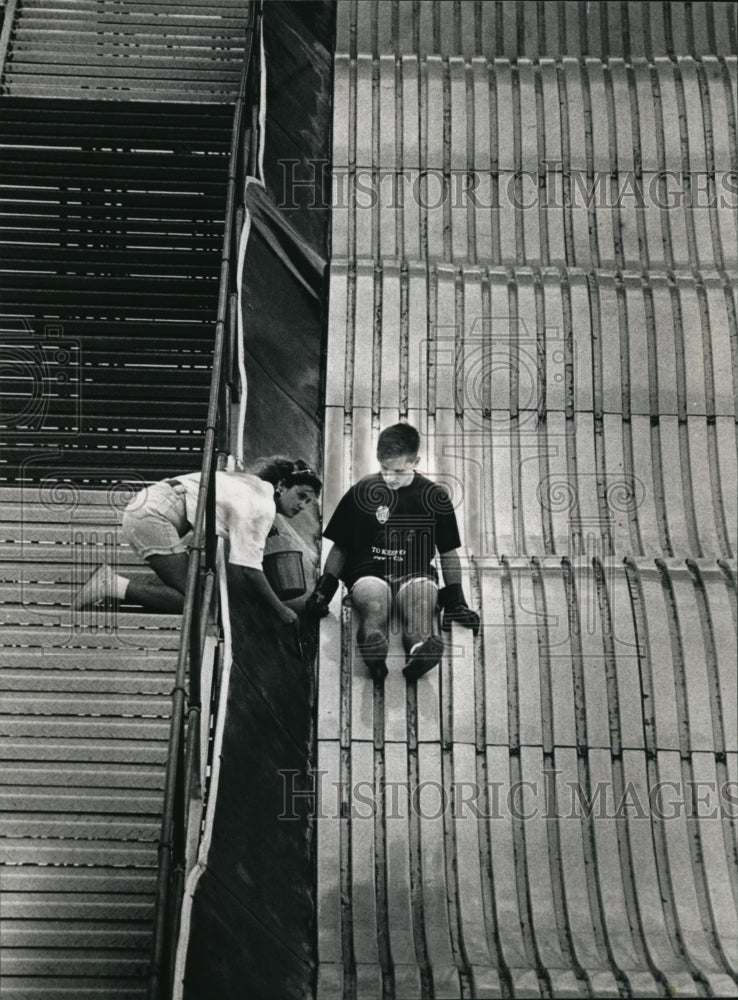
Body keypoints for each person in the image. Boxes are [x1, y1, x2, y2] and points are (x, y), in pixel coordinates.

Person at [306, 423, 479, 681]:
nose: (390, 477)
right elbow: (340, 546)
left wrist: (456, 601)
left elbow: (448, 552)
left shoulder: (434, 496)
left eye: (398, 470)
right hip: (369, 572)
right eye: (384, 469)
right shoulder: (361, 491)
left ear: (415, 461)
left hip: (416, 573)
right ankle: (374, 651)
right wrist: (324, 590)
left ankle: (419, 652)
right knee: (374, 606)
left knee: (419, 607)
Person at [74, 457, 322, 624]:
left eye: (308, 502)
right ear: (281, 485)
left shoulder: (252, 484)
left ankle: (157, 580)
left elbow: (226, 510)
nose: (302, 506)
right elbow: (249, 570)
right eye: (301, 496)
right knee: (195, 602)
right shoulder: (263, 506)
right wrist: (280, 609)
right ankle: (110, 585)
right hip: (154, 516)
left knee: (195, 589)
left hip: (154, 501)